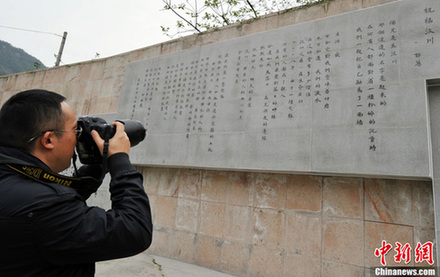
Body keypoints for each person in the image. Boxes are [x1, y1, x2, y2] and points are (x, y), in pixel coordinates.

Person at [0, 89, 153, 276]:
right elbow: (134, 231)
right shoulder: (46, 207)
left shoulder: (13, 177)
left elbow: (49, 202)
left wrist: (98, 164)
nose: (78, 137)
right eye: (75, 130)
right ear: (48, 139)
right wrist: (119, 160)